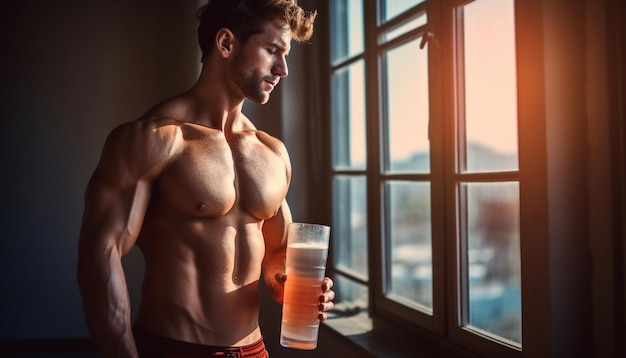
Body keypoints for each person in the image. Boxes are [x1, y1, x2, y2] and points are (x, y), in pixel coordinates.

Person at [76, 1, 334, 357]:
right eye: (273, 50)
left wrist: (286, 283)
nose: (283, 69)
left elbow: (276, 252)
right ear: (226, 44)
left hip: (255, 350)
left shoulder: (272, 152)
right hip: (176, 348)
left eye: (285, 54)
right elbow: (100, 255)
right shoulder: (156, 139)